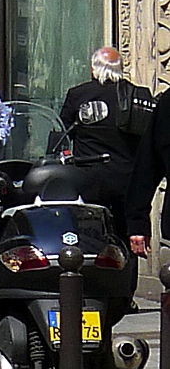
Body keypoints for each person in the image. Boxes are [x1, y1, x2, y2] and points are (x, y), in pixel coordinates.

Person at [63, 46, 152, 234]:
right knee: (127, 240)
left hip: (88, 180)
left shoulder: (78, 95)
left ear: (93, 69)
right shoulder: (138, 95)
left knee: (88, 236)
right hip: (127, 182)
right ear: (120, 69)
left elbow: (62, 132)